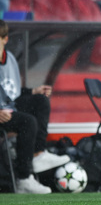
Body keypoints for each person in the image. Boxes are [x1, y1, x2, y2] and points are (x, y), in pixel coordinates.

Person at [0, 20, 70, 193]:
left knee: (40, 100)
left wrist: (33, 91)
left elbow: (11, 92)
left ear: (5, 39)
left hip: (9, 108)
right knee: (28, 122)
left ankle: (38, 154)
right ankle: (23, 179)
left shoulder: (10, 61)